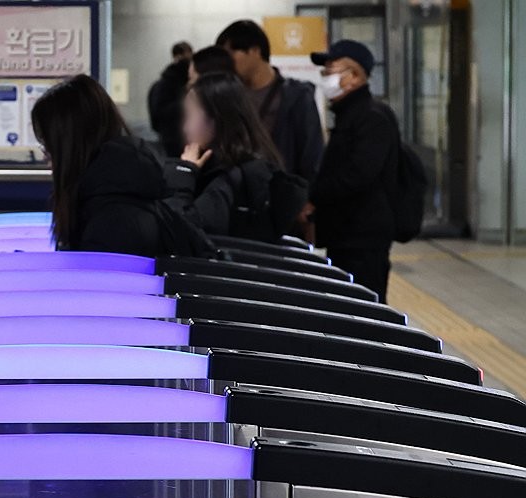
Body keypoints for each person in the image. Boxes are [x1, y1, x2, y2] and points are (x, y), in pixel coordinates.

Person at [30, 74, 213, 257]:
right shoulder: (124, 186)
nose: (46, 158)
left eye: (47, 145)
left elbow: (100, 273)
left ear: (67, 147)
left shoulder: (110, 221)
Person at [307, 40, 400, 302]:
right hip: (345, 235)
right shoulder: (350, 114)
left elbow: (357, 176)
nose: (326, 78)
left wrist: (314, 197)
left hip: (363, 238)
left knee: (364, 309)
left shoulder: (372, 118)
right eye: (324, 72)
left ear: (355, 76)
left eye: (331, 72)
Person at [163, 72, 296, 241]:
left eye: (191, 115)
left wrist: (184, 173)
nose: (185, 128)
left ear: (216, 117)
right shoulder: (252, 162)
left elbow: (182, 231)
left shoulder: (234, 177)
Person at [217, 20, 324, 184]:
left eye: (230, 54)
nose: (226, 63)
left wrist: (304, 192)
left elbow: (311, 152)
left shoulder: (297, 96)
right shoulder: (230, 96)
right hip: (241, 188)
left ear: (255, 51)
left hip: (283, 188)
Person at [148, 41, 193, 157]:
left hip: (168, 142)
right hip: (177, 142)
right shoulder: (167, 86)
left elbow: (155, 120)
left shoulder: (159, 85)